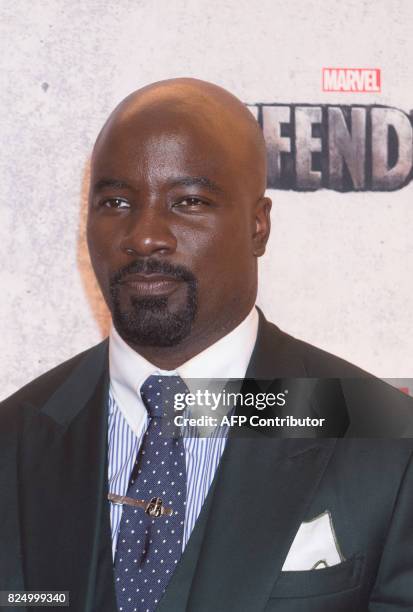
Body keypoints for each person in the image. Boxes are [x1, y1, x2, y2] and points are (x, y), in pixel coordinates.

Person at [1, 78, 412, 612]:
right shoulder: (13, 438)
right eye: (117, 201)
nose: (145, 235)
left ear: (258, 227)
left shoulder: (387, 439)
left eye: (189, 201)